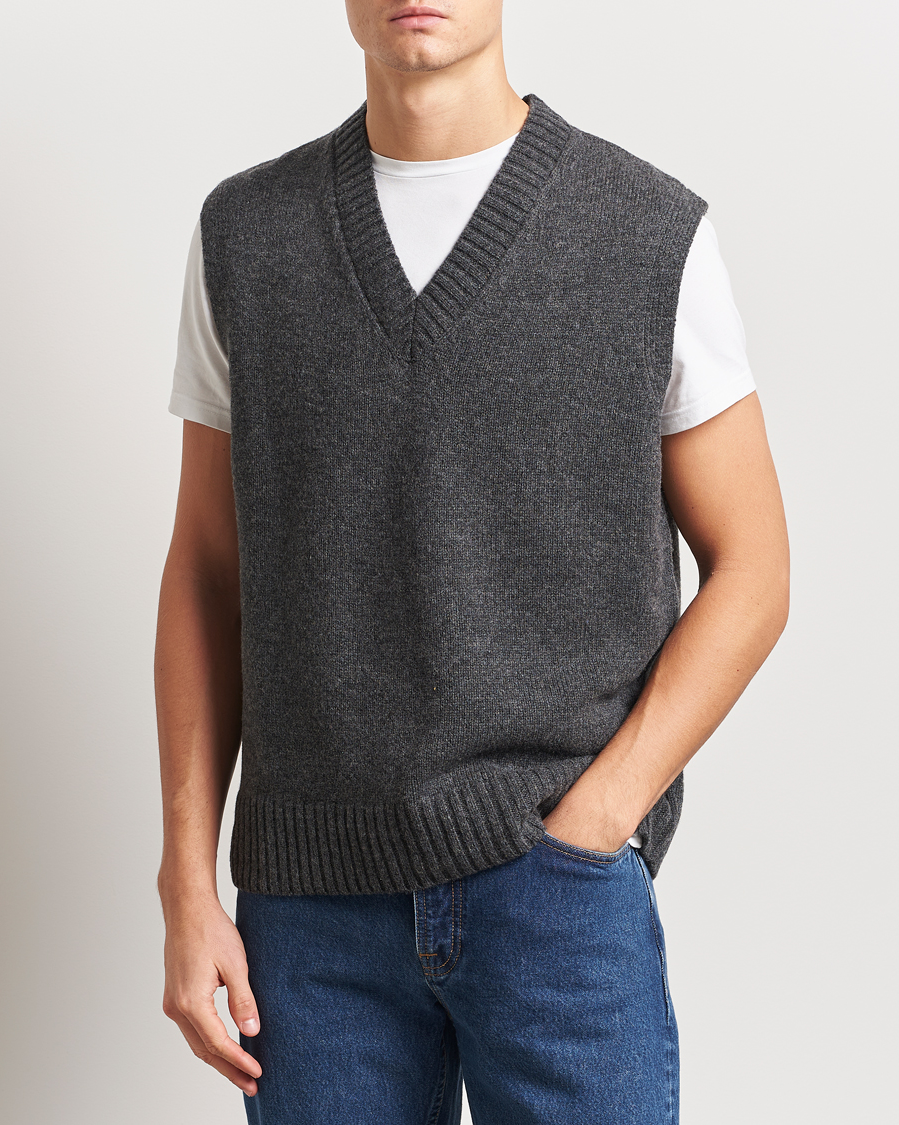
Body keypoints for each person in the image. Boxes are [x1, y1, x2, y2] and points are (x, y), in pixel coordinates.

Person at [155, 2, 790, 1122]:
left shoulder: (647, 231)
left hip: (556, 891)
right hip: (310, 913)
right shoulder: (246, 237)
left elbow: (755, 567)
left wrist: (596, 822)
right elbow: (209, 573)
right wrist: (185, 883)